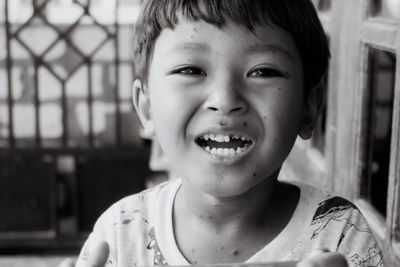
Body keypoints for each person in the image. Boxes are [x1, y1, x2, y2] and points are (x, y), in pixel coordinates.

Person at [60, 0, 385, 266]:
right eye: (191, 70)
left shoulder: (340, 235)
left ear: (308, 109)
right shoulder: (119, 234)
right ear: (146, 109)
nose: (225, 100)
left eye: (263, 71)